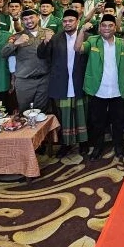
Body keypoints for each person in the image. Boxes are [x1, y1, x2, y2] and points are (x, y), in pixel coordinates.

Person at [77, 14, 124, 163]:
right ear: (100, 27)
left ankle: (119, 146)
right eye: (104, 25)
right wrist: (82, 31)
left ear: (115, 27)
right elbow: (78, 48)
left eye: (110, 25)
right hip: (97, 89)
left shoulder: (122, 43)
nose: (107, 28)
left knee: (118, 121)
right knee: (97, 121)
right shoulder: (92, 40)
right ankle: (98, 147)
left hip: (117, 89)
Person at [38, 9, 89, 157]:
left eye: (71, 21)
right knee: (63, 116)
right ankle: (65, 144)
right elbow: (41, 55)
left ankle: (83, 143)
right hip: (61, 82)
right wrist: (45, 42)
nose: (67, 23)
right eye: (65, 21)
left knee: (82, 114)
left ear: (77, 22)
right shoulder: (55, 38)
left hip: (80, 81)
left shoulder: (87, 37)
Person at [2, 9, 52, 112]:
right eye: (25, 19)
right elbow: (4, 53)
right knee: (24, 112)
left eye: (31, 17)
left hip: (44, 80)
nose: (28, 21)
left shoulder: (48, 32)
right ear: (22, 21)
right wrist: (16, 43)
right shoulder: (17, 36)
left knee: (42, 113)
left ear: (38, 17)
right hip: (24, 81)